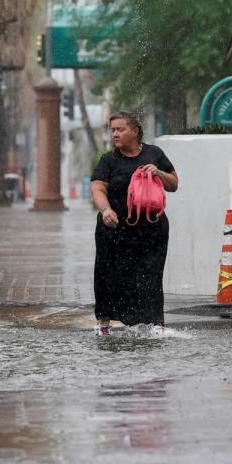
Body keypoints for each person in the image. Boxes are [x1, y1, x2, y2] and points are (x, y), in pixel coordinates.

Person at [90, 112, 179, 335]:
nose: (115, 134)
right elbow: (98, 188)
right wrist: (106, 209)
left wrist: (157, 172)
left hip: (150, 230)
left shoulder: (154, 154)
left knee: (150, 275)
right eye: (112, 130)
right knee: (108, 274)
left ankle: (155, 323)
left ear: (135, 131)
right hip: (115, 229)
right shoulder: (108, 161)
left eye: (120, 129)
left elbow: (174, 183)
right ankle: (104, 322)